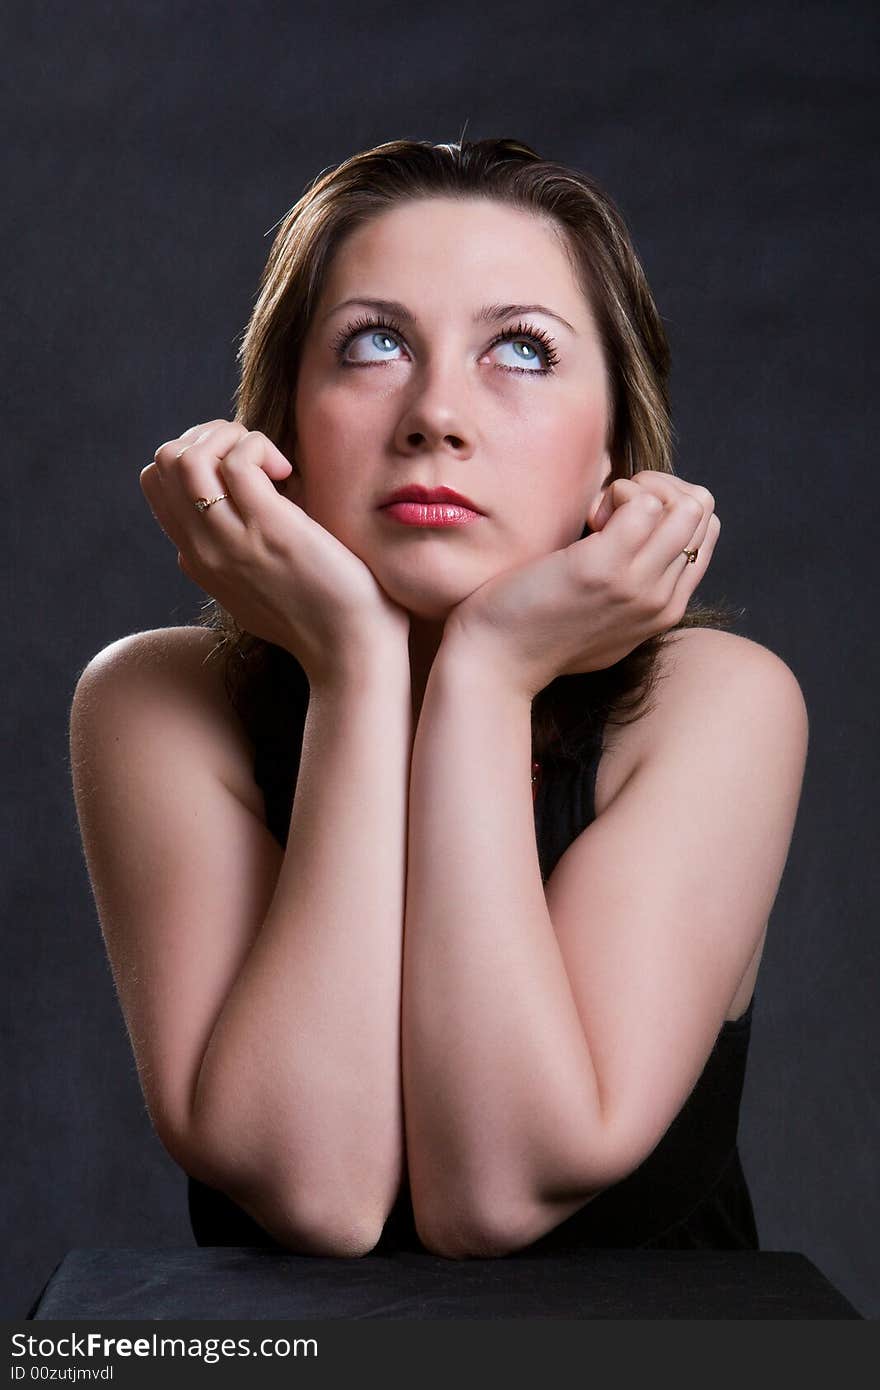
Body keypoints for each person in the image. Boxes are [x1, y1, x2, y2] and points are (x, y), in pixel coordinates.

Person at [68, 137, 809, 1261]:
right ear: (282, 428)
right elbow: (316, 1189)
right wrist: (357, 666)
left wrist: (486, 669)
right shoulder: (156, 701)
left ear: (609, 448)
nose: (434, 417)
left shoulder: (716, 705)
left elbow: (495, 1192)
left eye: (519, 348)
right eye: (373, 343)